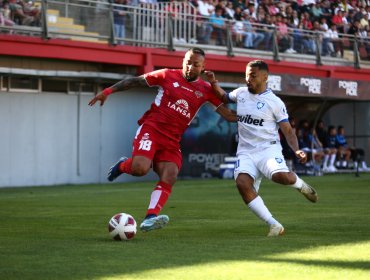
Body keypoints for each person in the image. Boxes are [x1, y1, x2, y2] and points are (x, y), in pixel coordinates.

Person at [88, 47, 236, 232]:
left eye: (195, 64)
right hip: (152, 129)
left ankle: (151, 217)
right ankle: (122, 166)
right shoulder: (167, 75)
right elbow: (136, 81)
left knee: (171, 174)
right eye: (188, 62)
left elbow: (229, 115)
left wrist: (258, 118)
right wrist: (108, 91)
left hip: (172, 140)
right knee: (140, 168)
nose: (190, 67)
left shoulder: (206, 90)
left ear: (203, 67)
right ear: (183, 60)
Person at [205, 60, 318, 237]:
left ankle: (300, 184)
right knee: (242, 184)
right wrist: (213, 82)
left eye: (252, 75)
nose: (248, 79)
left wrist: (297, 150)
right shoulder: (241, 93)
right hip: (245, 151)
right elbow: (223, 97)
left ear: (265, 77)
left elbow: (287, 130)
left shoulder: (274, 102)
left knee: (281, 177)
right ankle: (274, 224)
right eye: (246, 75)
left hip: (268, 149)